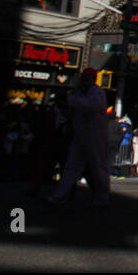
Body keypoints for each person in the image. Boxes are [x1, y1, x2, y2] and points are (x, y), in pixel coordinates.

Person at [48, 69, 112, 210]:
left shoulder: (97, 92)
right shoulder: (80, 93)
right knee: (71, 167)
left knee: (98, 167)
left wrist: (70, 99)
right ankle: (59, 197)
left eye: (86, 77)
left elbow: (90, 105)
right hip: (81, 135)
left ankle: (102, 198)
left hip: (95, 136)